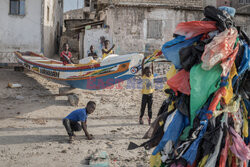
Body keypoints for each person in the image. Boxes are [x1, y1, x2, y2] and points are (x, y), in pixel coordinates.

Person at [139, 57, 154, 125]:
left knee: (150, 108)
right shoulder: (144, 76)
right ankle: (141, 118)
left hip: (151, 95)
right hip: (144, 95)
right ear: (145, 72)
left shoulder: (152, 76)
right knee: (143, 107)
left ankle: (149, 119)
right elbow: (142, 68)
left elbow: (152, 68)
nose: (149, 73)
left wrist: (152, 62)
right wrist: (143, 60)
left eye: (150, 72)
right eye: (147, 72)